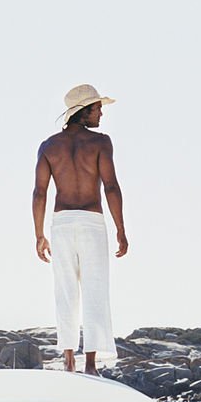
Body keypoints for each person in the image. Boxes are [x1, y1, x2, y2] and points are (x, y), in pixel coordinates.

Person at [32, 84, 128, 375]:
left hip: (61, 224)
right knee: (95, 289)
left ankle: (68, 358)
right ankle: (90, 364)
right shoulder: (100, 143)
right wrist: (121, 229)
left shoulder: (49, 146)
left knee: (65, 290)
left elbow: (39, 193)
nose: (101, 113)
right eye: (98, 108)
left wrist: (39, 234)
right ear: (83, 112)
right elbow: (110, 186)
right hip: (90, 222)